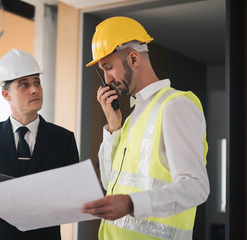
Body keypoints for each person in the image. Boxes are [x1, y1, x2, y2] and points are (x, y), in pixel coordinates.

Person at [81, 16, 209, 240]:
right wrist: (113, 127)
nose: (107, 79)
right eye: (103, 71)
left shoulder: (175, 106)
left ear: (133, 58)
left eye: (109, 68)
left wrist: (131, 203)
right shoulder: (133, 118)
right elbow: (110, 182)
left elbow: (196, 187)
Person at [0, 49, 80, 240]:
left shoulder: (63, 139)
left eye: (37, 82)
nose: (34, 89)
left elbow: (75, 193)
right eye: (24, 84)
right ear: (6, 95)